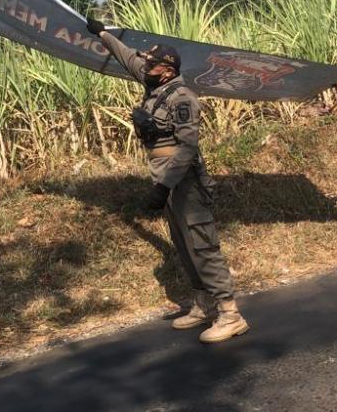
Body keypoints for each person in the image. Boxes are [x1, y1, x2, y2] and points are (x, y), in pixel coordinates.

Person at [86, 17, 248, 343]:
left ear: (168, 70)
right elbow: (127, 56)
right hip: (165, 179)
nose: (144, 66)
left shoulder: (182, 98)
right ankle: (203, 305)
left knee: (202, 245)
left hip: (184, 181)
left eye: (152, 64)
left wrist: (163, 187)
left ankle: (231, 314)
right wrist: (102, 32)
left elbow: (187, 147)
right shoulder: (155, 85)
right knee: (184, 246)